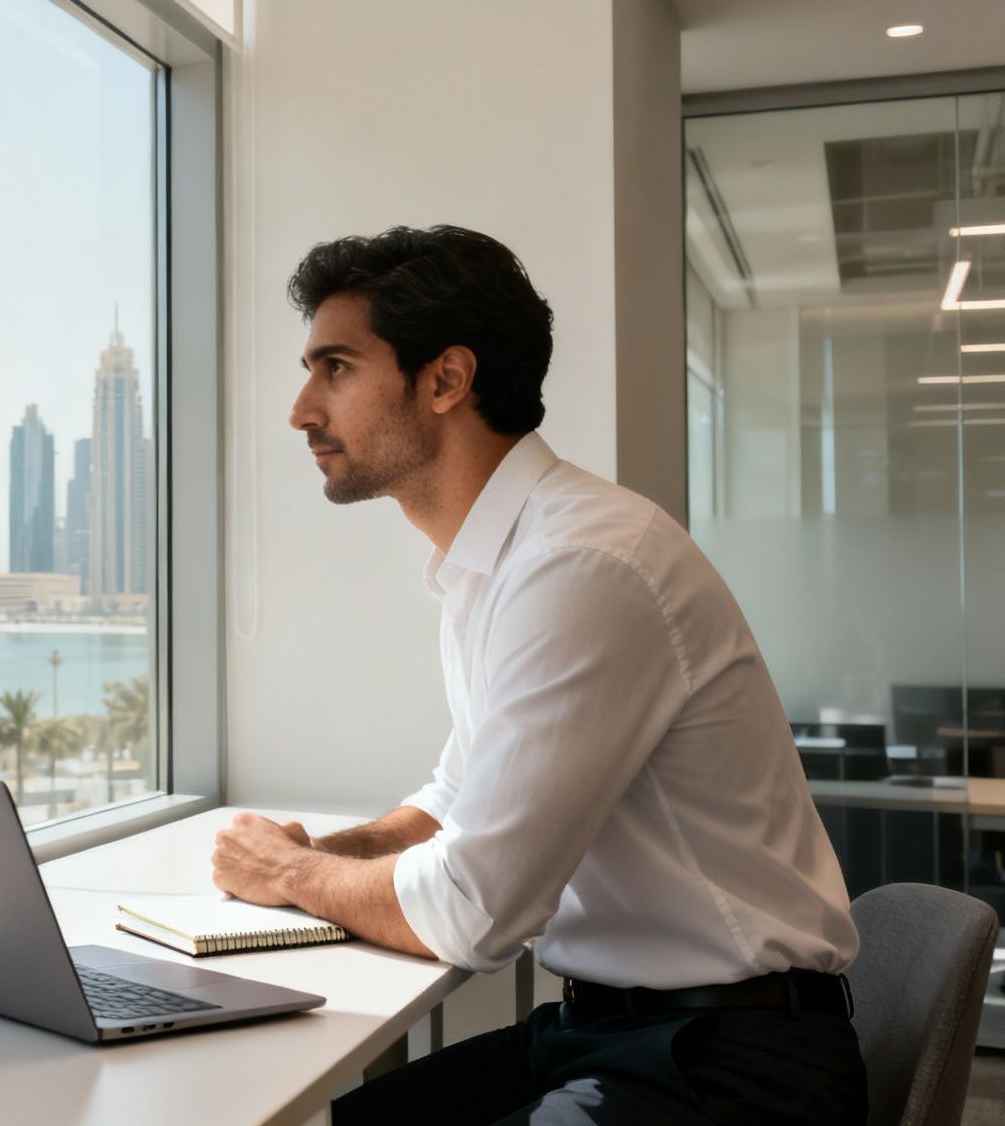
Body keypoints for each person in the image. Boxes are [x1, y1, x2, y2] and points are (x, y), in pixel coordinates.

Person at [209, 226, 865, 1124]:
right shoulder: (496, 563)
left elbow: (479, 909)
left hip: (730, 1064)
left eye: (335, 368)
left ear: (446, 379)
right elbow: (455, 794)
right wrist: (330, 855)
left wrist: (287, 877)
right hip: (607, 1026)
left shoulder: (585, 563)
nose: (301, 409)